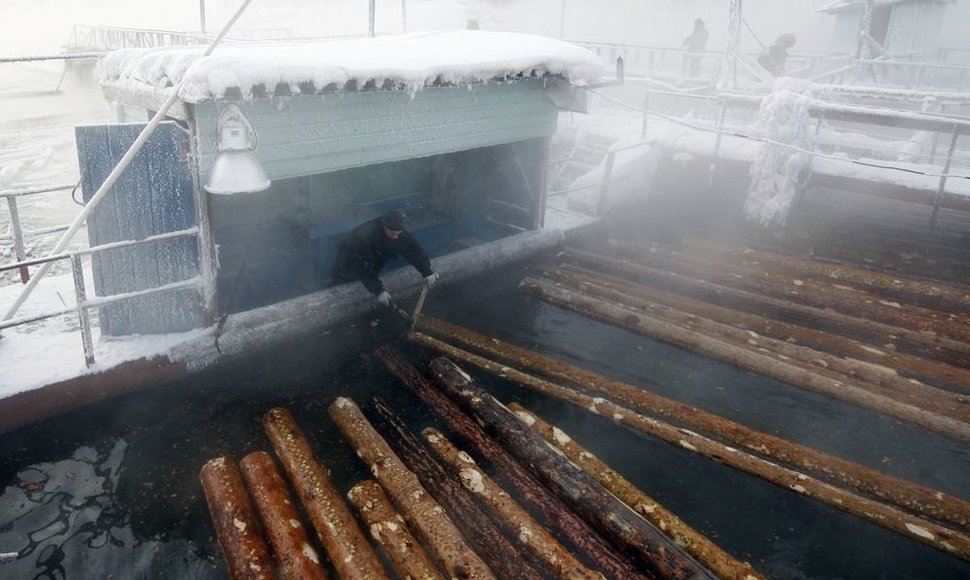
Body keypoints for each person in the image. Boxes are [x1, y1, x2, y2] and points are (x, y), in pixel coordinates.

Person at [331, 210, 439, 308]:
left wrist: (427, 271)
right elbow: (364, 266)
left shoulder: (397, 231)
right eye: (392, 234)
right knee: (347, 279)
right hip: (350, 261)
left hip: (374, 258)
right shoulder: (367, 236)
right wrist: (379, 291)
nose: (396, 237)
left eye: (399, 234)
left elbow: (413, 250)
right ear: (384, 227)